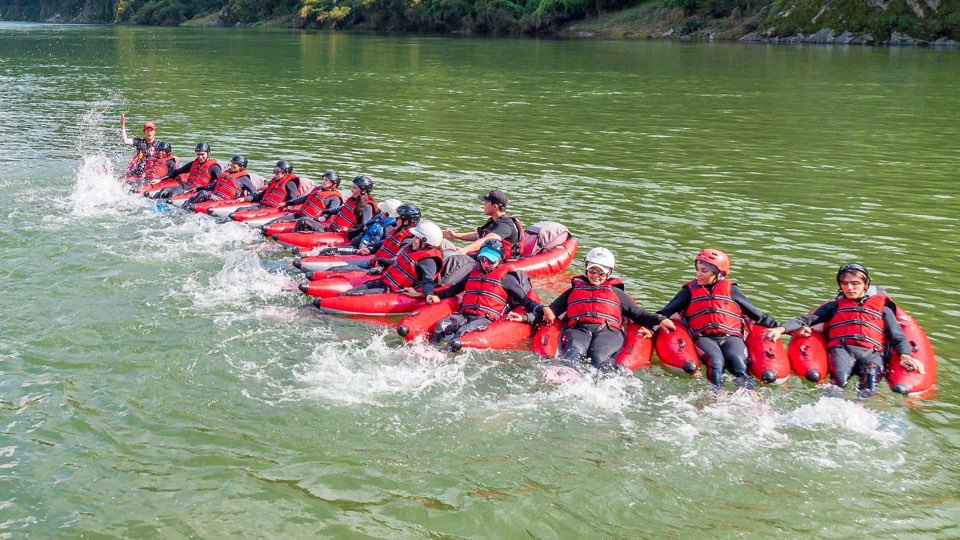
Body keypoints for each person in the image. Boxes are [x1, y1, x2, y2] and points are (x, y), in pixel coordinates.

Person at [764, 263, 923, 396]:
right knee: (839, 382)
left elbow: (897, 335)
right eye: (845, 283)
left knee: (869, 388)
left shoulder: (883, 309)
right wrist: (782, 329)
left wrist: (905, 355)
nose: (850, 288)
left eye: (855, 283)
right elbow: (805, 320)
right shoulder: (834, 306)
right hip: (843, 350)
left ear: (865, 285)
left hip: (872, 353)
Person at [510, 248, 675, 373]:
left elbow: (639, 314)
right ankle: (565, 378)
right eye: (592, 270)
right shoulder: (572, 292)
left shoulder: (617, 293)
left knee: (598, 357)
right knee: (574, 353)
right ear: (586, 269)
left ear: (609, 273)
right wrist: (526, 318)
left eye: (601, 272)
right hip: (579, 329)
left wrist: (659, 320)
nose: (596, 275)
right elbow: (550, 313)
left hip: (609, 332)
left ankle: (604, 384)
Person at [657, 248, 780, 388]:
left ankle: (752, 395)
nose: (698, 274)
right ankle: (718, 394)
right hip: (704, 338)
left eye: (704, 271)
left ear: (719, 274)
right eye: (697, 269)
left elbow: (756, 314)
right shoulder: (688, 292)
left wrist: (782, 328)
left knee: (738, 363)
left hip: (731, 337)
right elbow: (664, 313)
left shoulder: (732, 290)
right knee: (716, 363)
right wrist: (651, 325)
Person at [424, 239, 541, 349]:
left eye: (490, 260)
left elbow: (525, 301)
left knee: (462, 333)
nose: (485, 263)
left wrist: (535, 312)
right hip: (464, 316)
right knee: (441, 326)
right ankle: (428, 352)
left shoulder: (507, 278)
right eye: (482, 258)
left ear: (499, 260)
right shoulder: (473, 273)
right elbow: (452, 290)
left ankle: (443, 357)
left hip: (485, 319)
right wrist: (429, 294)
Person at [342, 221, 444, 297]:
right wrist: (381, 261)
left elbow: (428, 281)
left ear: (426, 242)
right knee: (346, 293)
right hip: (383, 282)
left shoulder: (429, 261)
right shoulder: (413, 250)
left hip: (392, 291)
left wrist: (426, 294)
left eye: (417, 238)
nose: (413, 240)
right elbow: (397, 264)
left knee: (346, 296)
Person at [442, 190, 523, 257]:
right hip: (485, 253)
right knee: (442, 243)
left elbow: (487, 240)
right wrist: (455, 235)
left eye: (486, 202)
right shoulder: (494, 220)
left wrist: (465, 250)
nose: (484, 204)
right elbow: (479, 235)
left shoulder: (505, 224)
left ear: (495, 206)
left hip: (494, 260)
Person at [296, 175, 376, 233]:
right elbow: (340, 209)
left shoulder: (367, 206)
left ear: (363, 191)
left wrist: (349, 230)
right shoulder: (354, 200)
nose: (351, 190)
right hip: (332, 229)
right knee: (303, 220)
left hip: (341, 235)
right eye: (352, 187)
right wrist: (324, 211)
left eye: (354, 188)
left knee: (303, 220)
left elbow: (365, 226)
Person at [265, 171, 343, 230]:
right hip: (300, 215)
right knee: (273, 222)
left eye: (326, 180)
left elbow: (331, 211)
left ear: (334, 184)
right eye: (323, 179)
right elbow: (304, 198)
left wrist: (324, 217)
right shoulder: (319, 189)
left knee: (277, 225)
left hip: (310, 220)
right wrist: (286, 203)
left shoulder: (334, 198)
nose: (323, 181)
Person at [182, 155, 258, 211]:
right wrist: (198, 189)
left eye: (235, 163)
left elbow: (254, 192)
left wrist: (245, 199)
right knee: (196, 196)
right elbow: (214, 185)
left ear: (242, 167)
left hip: (225, 200)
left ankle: (184, 210)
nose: (232, 164)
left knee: (204, 194)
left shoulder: (244, 178)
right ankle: (184, 208)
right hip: (216, 196)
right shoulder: (227, 173)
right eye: (232, 162)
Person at [149, 142, 221, 199]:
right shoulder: (193, 163)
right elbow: (176, 172)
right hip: (185, 186)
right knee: (163, 191)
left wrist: (199, 189)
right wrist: (160, 180)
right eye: (198, 154)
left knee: (172, 195)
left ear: (208, 153)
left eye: (202, 154)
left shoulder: (214, 167)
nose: (200, 157)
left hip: (197, 190)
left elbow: (219, 183)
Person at [233, 160, 300, 211]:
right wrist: (245, 198)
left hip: (274, 209)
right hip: (263, 206)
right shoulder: (274, 181)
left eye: (277, 172)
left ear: (286, 173)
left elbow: (293, 200)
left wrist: (288, 209)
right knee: (239, 210)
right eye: (275, 171)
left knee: (240, 212)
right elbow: (261, 195)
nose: (275, 174)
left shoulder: (291, 183)